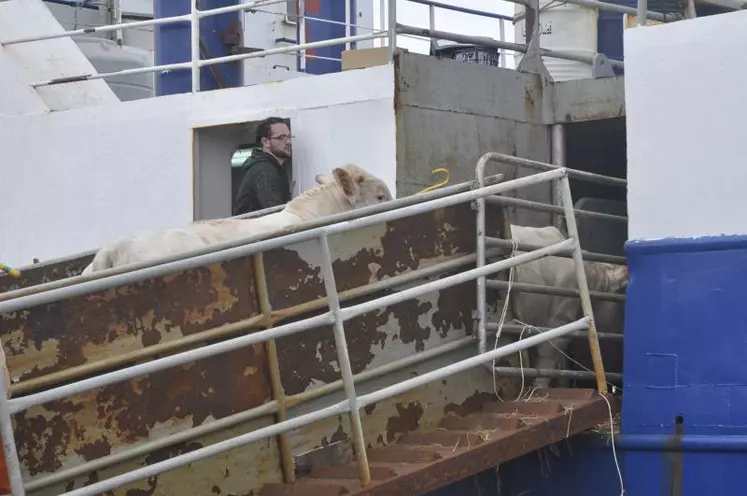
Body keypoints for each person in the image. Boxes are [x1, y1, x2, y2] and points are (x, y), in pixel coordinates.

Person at [232, 117, 293, 215]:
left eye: (289, 137)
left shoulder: (274, 167)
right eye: (281, 138)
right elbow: (275, 213)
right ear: (266, 142)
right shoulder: (264, 170)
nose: (289, 142)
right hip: (255, 229)